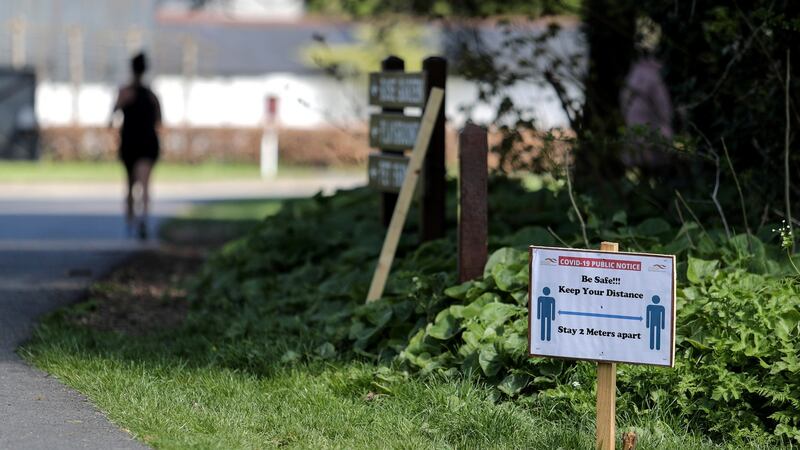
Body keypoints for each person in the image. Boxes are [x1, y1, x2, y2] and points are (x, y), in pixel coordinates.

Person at [110, 52, 161, 239]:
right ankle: (143, 219)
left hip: (131, 144)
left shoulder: (125, 93)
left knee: (131, 184)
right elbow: (159, 120)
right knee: (145, 184)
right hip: (147, 143)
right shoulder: (151, 96)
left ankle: (131, 221)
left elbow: (111, 117)